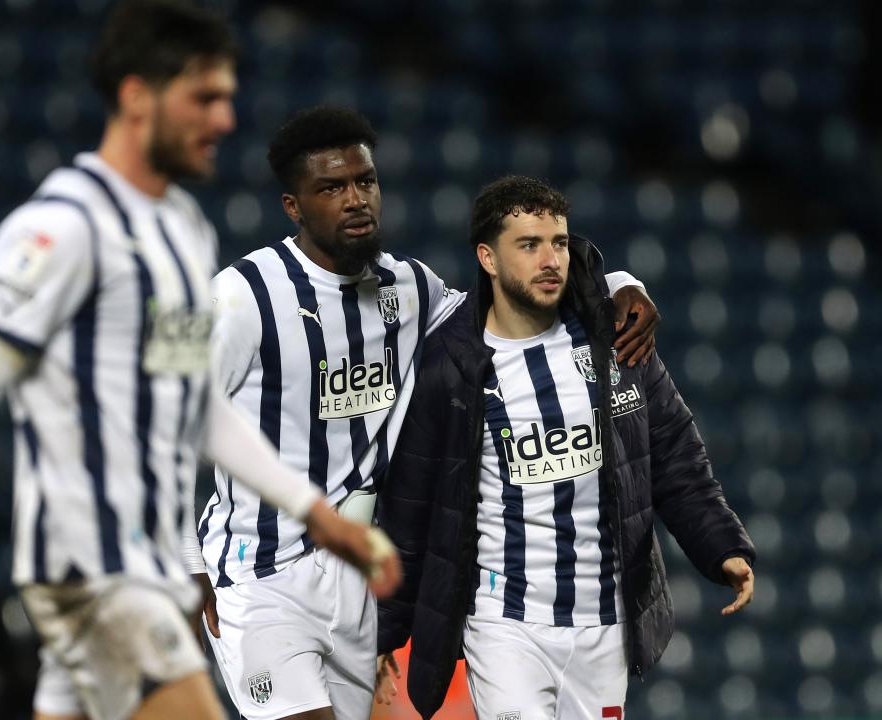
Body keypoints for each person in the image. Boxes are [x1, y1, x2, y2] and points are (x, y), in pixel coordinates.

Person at [0, 4, 399, 720]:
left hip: (137, 560)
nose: (224, 120)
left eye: (228, 98)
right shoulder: (64, 227)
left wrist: (315, 516)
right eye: (204, 99)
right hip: (93, 565)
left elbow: (194, 403)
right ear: (138, 97)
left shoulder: (180, 230)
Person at [186, 106, 660, 719]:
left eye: (365, 181)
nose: (356, 200)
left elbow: (509, 305)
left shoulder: (409, 288)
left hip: (361, 583)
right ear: (293, 206)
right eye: (331, 188)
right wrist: (185, 563)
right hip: (262, 576)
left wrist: (618, 280)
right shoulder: (241, 296)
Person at [375, 175, 757, 719]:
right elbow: (410, 506)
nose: (550, 259)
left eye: (558, 241)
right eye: (528, 246)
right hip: (504, 622)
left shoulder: (616, 341)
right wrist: (386, 630)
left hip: (604, 620)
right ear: (487, 257)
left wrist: (722, 546)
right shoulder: (451, 366)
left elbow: (673, 455)